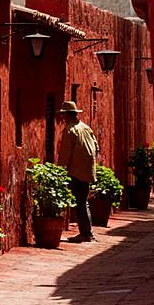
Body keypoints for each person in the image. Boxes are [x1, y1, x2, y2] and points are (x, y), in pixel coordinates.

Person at [56, 101, 99, 242]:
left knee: (80, 202)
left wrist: (60, 170)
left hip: (76, 172)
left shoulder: (70, 130)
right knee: (83, 201)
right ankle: (87, 232)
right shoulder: (86, 128)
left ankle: (86, 233)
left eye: (63, 114)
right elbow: (96, 147)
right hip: (87, 171)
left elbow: (65, 153)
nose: (62, 117)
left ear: (67, 115)